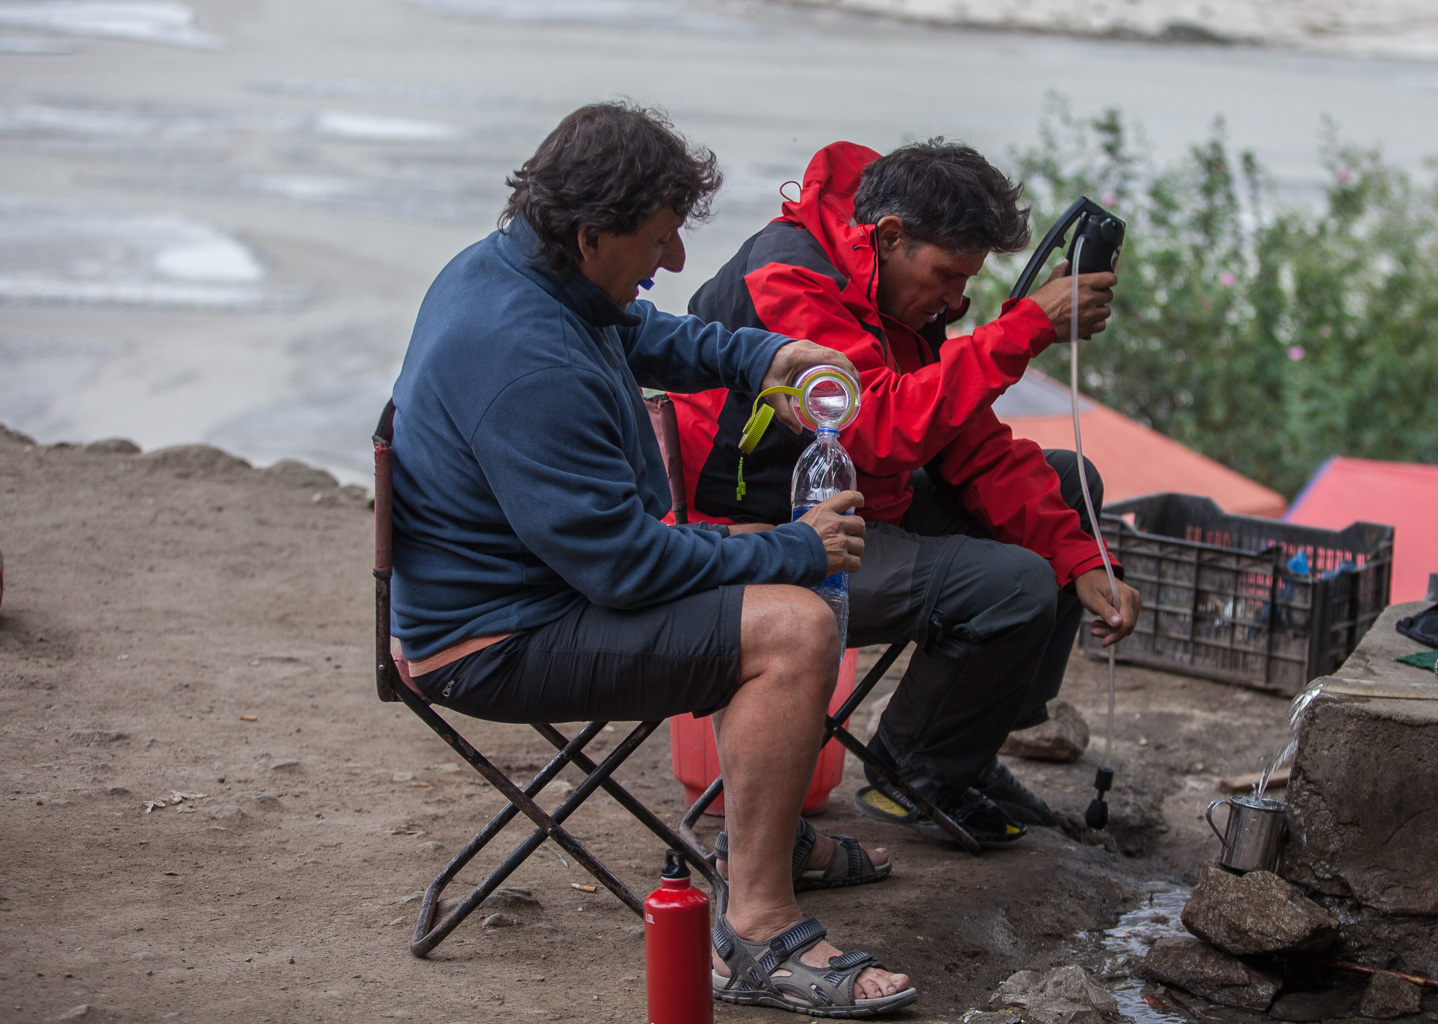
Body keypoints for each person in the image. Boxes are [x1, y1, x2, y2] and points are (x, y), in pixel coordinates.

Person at [386, 103, 914, 1015]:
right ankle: (754, 930)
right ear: (591, 235)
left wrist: (767, 355)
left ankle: (767, 837)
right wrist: (793, 545)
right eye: (662, 241)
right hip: (493, 641)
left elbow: (639, 330)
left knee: (780, 592)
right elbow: (624, 570)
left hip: (539, 590)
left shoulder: (524, 270)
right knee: (795, 627)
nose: (674, 263)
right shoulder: (524, 358)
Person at [668, 139, 1143, 845]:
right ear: (890, 237)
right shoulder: (788, 274)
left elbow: (970, 443)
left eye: (967, 283)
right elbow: (876, 431)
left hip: (856, 505)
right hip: (757, 533)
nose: (955, 301)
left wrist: (1083, 560)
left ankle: (967, 750)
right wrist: (1025, 329)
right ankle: (917, 770)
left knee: (1071, 489)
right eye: (948, 277)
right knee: (1014, 584)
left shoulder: (896, 289)